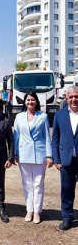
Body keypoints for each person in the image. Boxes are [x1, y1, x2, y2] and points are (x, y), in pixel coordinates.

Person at [13, 91, 53, 224]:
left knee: (38, 184)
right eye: (28, 100)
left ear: (36, 102)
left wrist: (49, 155)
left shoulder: (43, 117)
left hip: (38, 154)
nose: (30, 102)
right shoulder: (19, 117)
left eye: (32, 100)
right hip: (23, 154)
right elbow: (16, 136)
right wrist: (14, 153)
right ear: (24, 102)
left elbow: (47, 136)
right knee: (27, 184)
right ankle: (29, 209)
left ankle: (37, 211)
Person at [52, 85, 78, 230]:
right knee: (67, 191)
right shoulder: (59, 115)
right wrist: (56, 159)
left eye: (76, 96)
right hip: (66, 159)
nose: (74, 99)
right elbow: (55, 138)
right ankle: (67, 218)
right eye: (71, 97)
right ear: (66, 98)